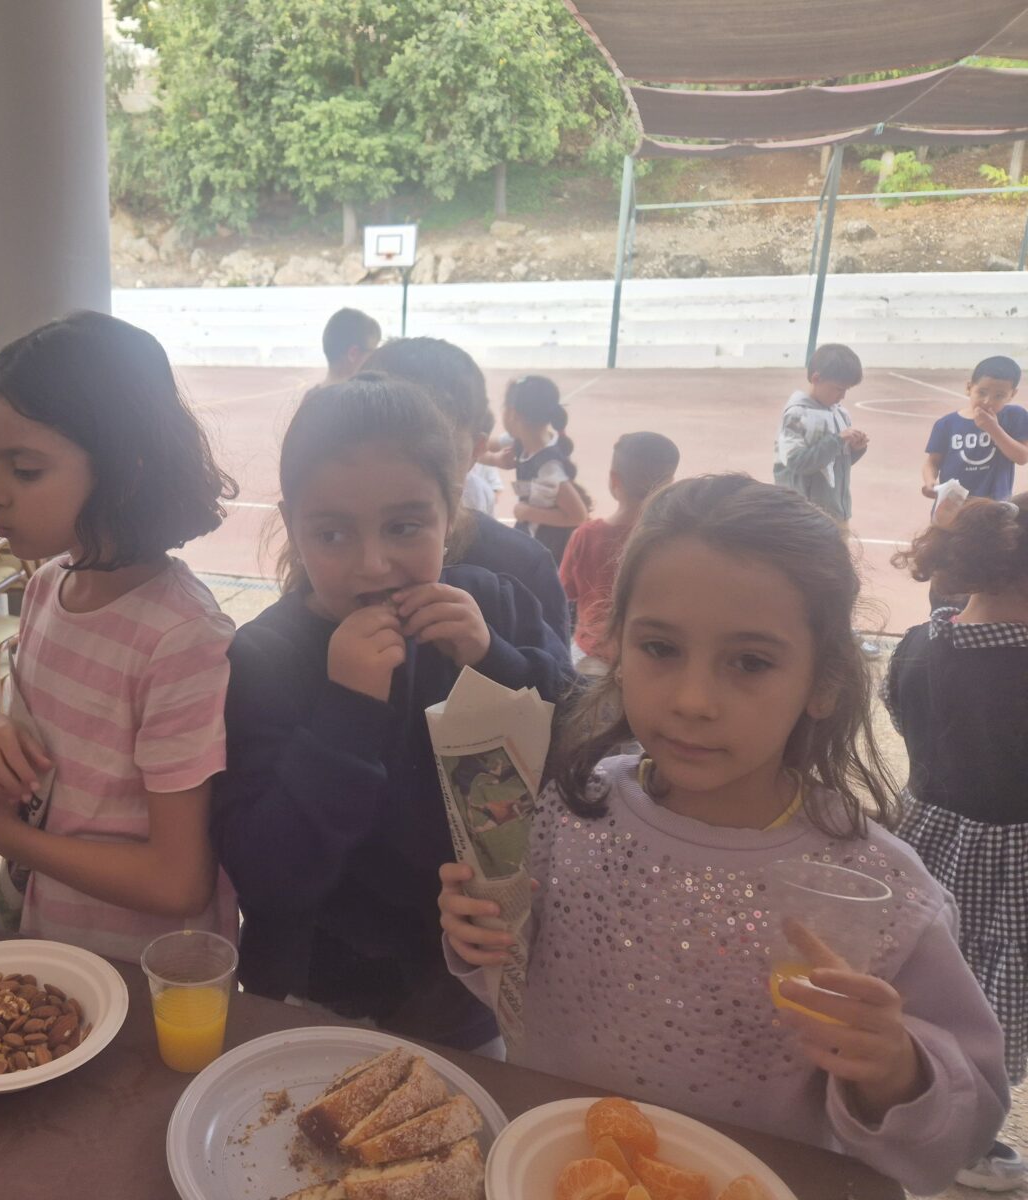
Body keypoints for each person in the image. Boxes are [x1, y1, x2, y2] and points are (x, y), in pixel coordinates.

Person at [438, 475, 1008, 1195]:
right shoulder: (569, 811)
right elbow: (518, 986)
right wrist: (481, 936)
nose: (693, 700)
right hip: (558, 1172)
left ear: (825, 681)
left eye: (750, 662)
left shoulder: (881, 893)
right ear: (616, 646)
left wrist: (896, 1068)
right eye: (660, 648)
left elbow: (967, 1122)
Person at [214, 373, 572, 1053]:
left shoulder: (495, 606)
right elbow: (268, 877)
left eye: (405, 527)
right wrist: (347, 709)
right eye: (332, 533)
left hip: (467, 991)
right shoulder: (266, 656)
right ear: (293, 524)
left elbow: (579, 749)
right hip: (316, 994)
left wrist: (496, 660)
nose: (374, 565)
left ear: (451, 512)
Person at [0, 312, 240, 964]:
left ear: (125, 470)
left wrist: (11, 839)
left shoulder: (181, 638)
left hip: (143, 971)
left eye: (26, 470)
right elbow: (35, 738)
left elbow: (177, 881)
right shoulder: (47, 586)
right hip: (48, 941)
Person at [887, 493, 1028, 1191]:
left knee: (919, 977)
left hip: (923, 835)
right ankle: (965, 1140)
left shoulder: (920, 642)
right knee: (990, 999)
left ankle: (911, 1106)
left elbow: (902, 715)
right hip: (1012, 858)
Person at [364, 337, 569, 645]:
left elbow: (554, 675)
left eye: (439, 451)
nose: (411, 468)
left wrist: (491, 655)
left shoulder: (523, 566)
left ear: (476, 450)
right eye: (384, 444)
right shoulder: (331, 561)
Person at [558, 431, 679, 674]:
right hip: (651, 659)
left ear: (614, 480)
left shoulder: (586, 535)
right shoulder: (674, 541)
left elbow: (565, 591)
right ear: (669, 484)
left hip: (592, 656)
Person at [773, 342, 868, 530]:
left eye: (847, 390)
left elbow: (834, 465)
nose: (842, 396)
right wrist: (837, 440)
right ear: (816, 378)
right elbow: (796, 462)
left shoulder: (840, 413)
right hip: (804, 517)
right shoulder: (796, 415)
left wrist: (855, 449)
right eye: (839, 388)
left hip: (836, 512)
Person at [500, 375, 590, 565]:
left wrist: (527, 512)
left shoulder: (548, 468)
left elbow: (578, 516)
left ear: (513, 414)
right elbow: (484, 447)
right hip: (532, 540)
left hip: (547, 552)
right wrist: (493, 459)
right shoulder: (527, 440)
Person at [921, 355, 1027, 505]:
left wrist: (993, 429)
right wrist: (930, 481)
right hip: (953, 506)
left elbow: (1022, 457)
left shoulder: (1015, 416)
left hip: (993, 506)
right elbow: (932, 462)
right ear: (969, 388)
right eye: (982, 392)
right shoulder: (946, 424)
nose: (988, 401)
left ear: (1012, 395)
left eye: (999, 396)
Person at [321, 307, 381, 384]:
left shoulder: (312, 392)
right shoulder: (364, 391)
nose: (375, 361)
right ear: (353, 354)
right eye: (373, 354)